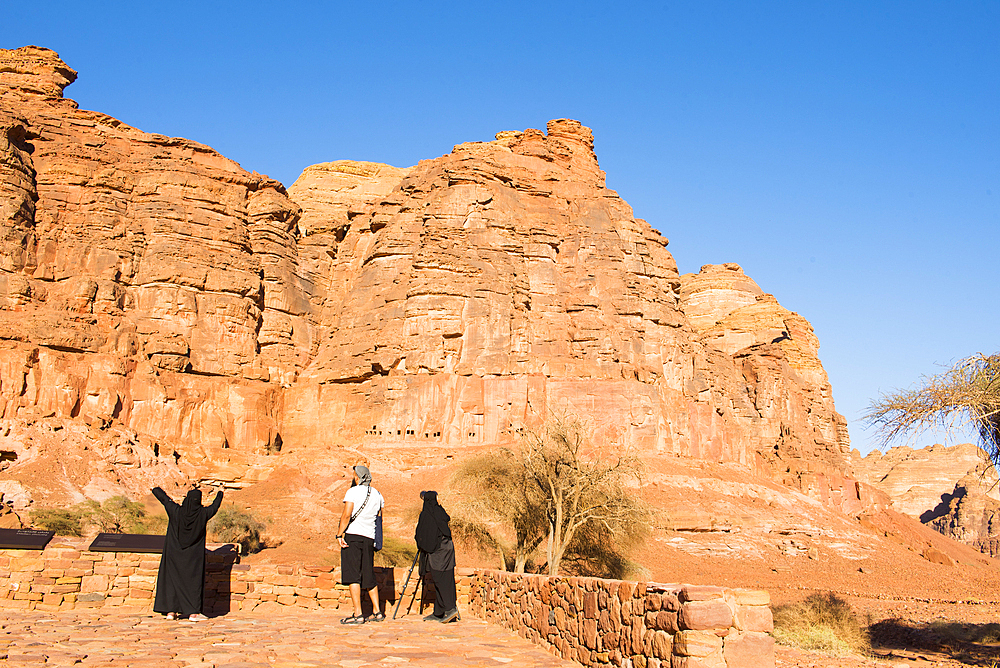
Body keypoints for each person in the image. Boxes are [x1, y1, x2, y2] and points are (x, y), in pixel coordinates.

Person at [152, 485, 223, 621]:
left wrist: (155, 489)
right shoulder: (203, 514)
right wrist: (220, 493)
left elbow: (165, 500)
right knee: (193, 583)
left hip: (173, 554)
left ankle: (171, 612)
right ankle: (193, 613)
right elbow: (215, 506)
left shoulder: (176, 511)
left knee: (172, 582)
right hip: (193, 557)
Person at [337, 464, 385, 624]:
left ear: (358, 477)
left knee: (353, 575)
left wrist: (339, 534)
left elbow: (346, 514)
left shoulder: (353, 491)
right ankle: (377, 611)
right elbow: (379, 517)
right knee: (368, 573)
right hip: (369, 537)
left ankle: (358, 614)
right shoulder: (377, 494)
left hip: (354, 536)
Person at [414, 490, 459, 623]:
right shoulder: (440, 512)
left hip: (438, 551)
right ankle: (439, 612)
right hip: (448, 548)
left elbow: (421, 535)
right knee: (447, 578)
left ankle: (450, 609)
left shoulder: (426, 515)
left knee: (440, 579)